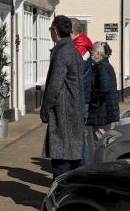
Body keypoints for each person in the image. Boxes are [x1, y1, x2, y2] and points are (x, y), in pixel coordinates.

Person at [40, 15, 85, 179]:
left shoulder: (62, 52)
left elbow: (54, 86)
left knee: (61, 167)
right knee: (74, 165)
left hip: (64, 115)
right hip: (75, 112)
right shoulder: (74, 52)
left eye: (51, 30)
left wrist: (44, 111)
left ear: (55, 31)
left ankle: (60, 202)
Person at [71, 18, 93, 165]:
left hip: (79, 98)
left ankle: (82, 169)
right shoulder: (83, 46)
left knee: (80, 137)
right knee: (82, 135)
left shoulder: (79, 50)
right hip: (83, 97)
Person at [86, 42, 120, 138]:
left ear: (98, 54)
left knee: (101, 141)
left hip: (102, 111)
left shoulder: (102, 67)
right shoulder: (105, 66)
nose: (91, 55)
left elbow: (104, 88)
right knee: (104, 139)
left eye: (92, 53)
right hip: (105, 110)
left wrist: (91, 98)